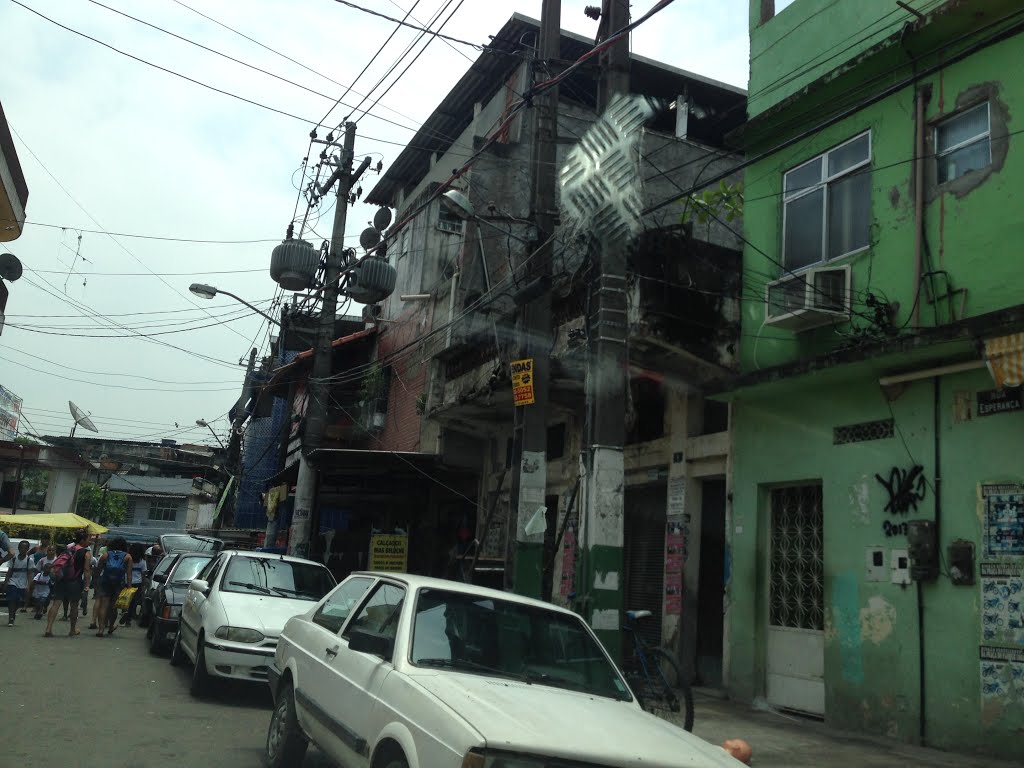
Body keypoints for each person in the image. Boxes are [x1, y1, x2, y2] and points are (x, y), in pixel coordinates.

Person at [44, 529, 92, 638]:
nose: (89, 541)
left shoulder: (68, 549)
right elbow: (87, 570)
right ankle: (72, 630)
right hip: (75, 582)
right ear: (83, 540)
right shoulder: (86, 553)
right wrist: (87, 585)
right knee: (74, 606)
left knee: (56, 603)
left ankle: (48, 628)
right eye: (88, 539)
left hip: (61, 580)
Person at [93, 537, 132, 638]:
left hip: (106, 581)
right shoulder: (127, 557)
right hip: (118, 583)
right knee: (114, 606)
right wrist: (129, 587)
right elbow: (129, 574)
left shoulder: (106, 554)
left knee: (104, 605)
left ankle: (101, 629)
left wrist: (96, 581)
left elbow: (98, 569)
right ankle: (110, 626)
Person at [4, 540, 34, 626]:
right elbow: (9, 572)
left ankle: (13, 613)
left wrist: (29, 585)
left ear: (28, 549)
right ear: (18, 548)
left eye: (25, 548)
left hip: (23, 583)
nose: (23, 550)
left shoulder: (29, 560)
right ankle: (11, 618)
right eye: (21, 548)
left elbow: (29, 574)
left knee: (19, 601)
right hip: (13, 582)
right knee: (11, 599)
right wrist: (6, 582)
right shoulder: (13, 559)